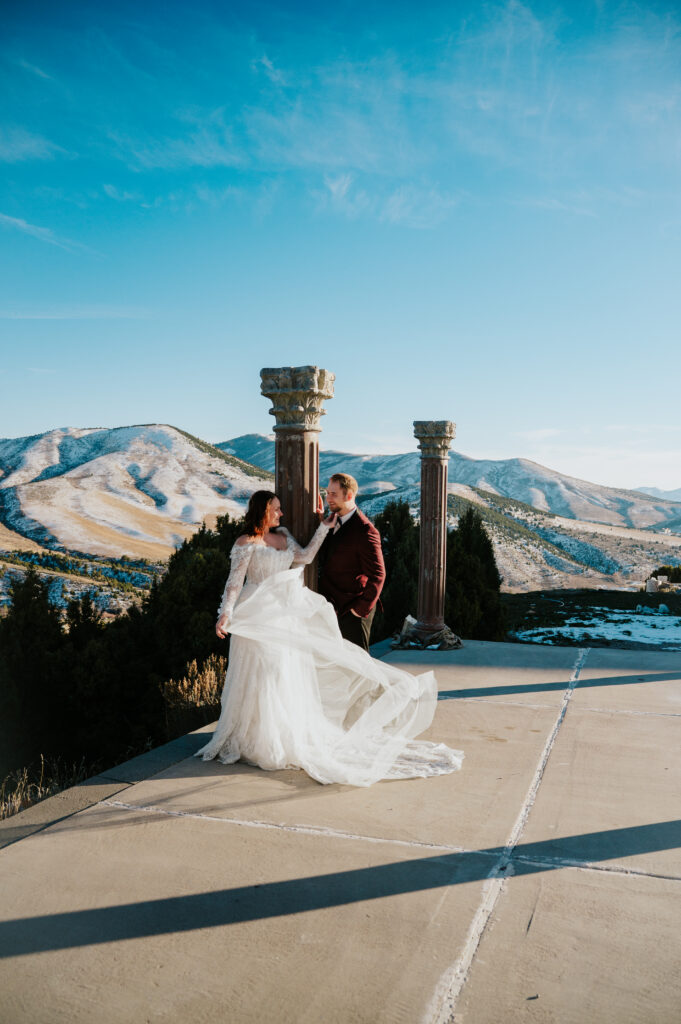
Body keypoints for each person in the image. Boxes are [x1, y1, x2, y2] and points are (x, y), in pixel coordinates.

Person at [195, 489, 463, 787]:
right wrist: (225, 614)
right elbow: (234, 584)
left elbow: (307, 556)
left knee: (283, 673)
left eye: (281, 509)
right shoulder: (246, 542)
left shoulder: (283, 536)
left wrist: (323, 526)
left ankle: (282, 735)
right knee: (257, 673)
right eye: (276, 509)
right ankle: (252, 737)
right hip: (257, 614)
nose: (281, 514)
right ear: (262, 511)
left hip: (285, 615)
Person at [319, 473, 385, 652]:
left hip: (353, 611)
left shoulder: (366, 531)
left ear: (349, 496)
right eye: (327, 492)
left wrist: (358, 611)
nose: (328, 498)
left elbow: (378, 576)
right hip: (332, 608)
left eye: (333, 494)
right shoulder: (333, 521)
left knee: (359, 668)